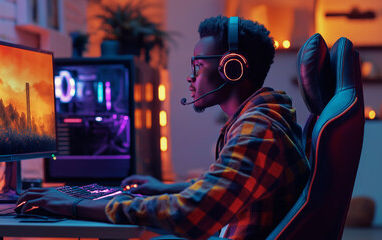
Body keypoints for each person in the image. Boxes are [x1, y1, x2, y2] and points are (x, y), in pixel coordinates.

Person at [17, 15, 310, 239]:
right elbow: (225, 188)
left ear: (232, 68)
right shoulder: (262, 118)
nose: (190, 77)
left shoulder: (258, 131)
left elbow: (192, 213)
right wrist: (166, 188)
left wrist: (73, 206)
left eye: (198, 66)